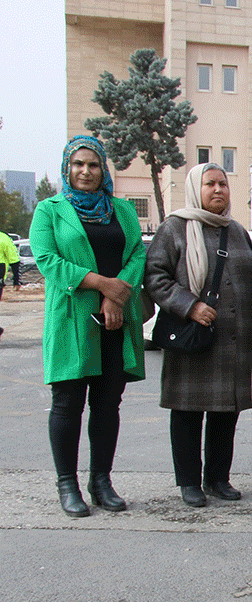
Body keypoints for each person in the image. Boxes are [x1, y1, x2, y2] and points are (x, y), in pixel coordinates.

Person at [31, 136, 146, 516]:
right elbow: (47, 259)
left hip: (114, 318)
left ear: (103, 170)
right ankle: (68, 485)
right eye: (78, 164)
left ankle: (101, 481)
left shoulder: (122, 210)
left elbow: (137, 252)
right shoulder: (50, 210)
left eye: (93, 165)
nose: (85, 171)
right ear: (67, 168)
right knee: (67, 403)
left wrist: (115, 296)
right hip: (71, 319)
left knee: (107, 403)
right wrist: (101, 283)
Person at [143, 163, 252, 507]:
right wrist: (189, 306)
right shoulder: (174, 228)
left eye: (223, 183)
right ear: (196, 188)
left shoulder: (236, 231)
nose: (219, 190)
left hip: (232, 340)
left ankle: (218, 478)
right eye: (210, 184)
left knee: (226, 413)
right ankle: (190, 482)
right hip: (194, 338)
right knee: (188, 412)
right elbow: (155, 276)